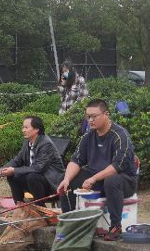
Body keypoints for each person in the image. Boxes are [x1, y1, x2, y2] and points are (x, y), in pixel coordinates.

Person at [57, 99, 138, 241]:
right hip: (97, 178)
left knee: (112, 181)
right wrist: (67, 179)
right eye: (88, 117)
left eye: (94, 116)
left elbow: (117, 166)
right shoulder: (88, 137)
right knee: (66, 181)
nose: (90, 120)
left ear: (106, 114)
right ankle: (68, 225)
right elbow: (76, 160)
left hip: (124, 180)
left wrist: (94, 178)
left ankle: (115, 227)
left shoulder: (120, 135)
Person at [0, 116, 64, 206]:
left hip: (52, 184)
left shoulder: (46, 144)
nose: (23, 130)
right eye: (23, 127)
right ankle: (20, 206)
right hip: (36, 182)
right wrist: (1, 170)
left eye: (26, 127)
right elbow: (17, 160)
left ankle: (40, 208)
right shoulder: (27, 142)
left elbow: (38, 168)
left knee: (32, 177)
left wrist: (14, 170)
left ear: (36, 129)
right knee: (13, 176)